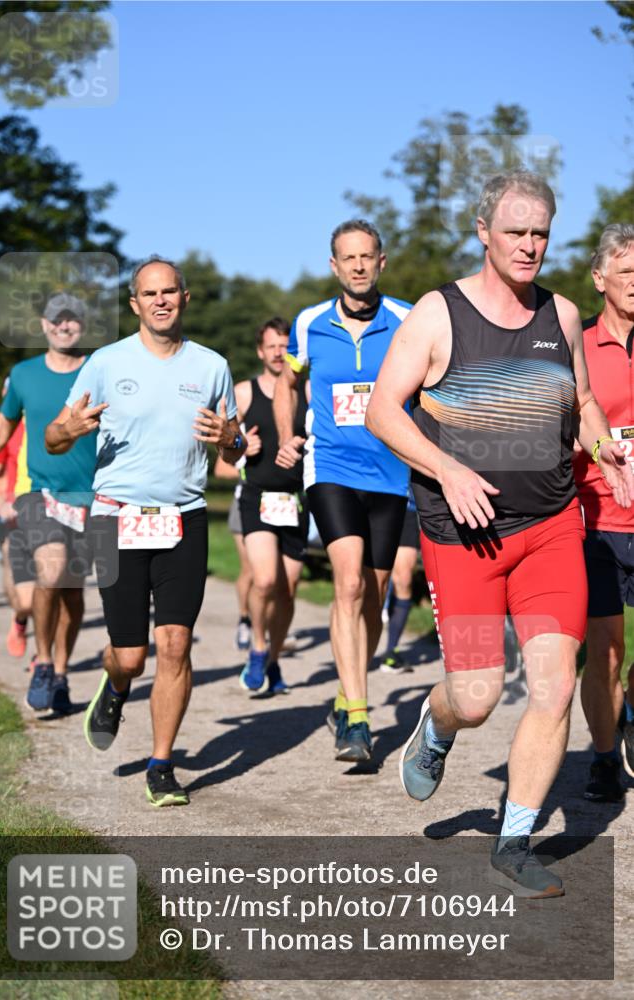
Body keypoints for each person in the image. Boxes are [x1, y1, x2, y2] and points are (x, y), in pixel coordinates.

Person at [365, 170, 633, 897]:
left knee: (551, 688)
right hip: (463, 541)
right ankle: (438, 723)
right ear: (482, 232)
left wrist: (601, 444)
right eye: (514, 231)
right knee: (477, 694)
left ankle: (513, 841)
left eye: (539, 232)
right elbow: (384, 412)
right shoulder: (436, 314)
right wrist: (447, 470)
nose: (528, 245)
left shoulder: (563, 317)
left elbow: (579, 399)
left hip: (549, 531)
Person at [45, 256, 245, 807]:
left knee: (175, 645)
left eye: (169, 291)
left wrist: (231, 437)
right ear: (134, 304)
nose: (160, 300)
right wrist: (68, 429)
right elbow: (54, 438)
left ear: (185, 297)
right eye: (148, 293)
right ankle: (115, 685)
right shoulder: (106, 364)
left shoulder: (211, 366)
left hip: (185, 518)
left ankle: (162, 764)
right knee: (130, 656)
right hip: (115, 517)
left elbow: (235, 448)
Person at [274, 220, 412, 763]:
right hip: (330, 467)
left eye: (367, 256)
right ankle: (357, 716)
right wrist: (289, 436)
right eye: (347, 258)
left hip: (392, 474)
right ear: (334, 266)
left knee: (372, 598)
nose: (357, 266)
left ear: (381, 261)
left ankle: (344, 693)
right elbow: (288, 383)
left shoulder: (406, 319)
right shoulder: (308, 324)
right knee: (349, 583)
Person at [0, 294, 96, 711]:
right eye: (57, 320)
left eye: (72, 320)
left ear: (82, 324)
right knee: (50, 571)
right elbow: (3, 426)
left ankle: (61, 672)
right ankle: (42, 661)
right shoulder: (23, 375)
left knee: (73, 594)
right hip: (38, 492)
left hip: (91, 497)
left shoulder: (101, 371)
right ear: (44, 325)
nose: (65, 326)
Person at [573, 223, 634, 799]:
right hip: (597, 521)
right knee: (605, 649)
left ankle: (631, 710)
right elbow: (556, 423)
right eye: (626, 271)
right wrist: (591, 444)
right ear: (600, 280)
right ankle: (602, 757)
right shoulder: (580, 346)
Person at [234, 317, 309, 695]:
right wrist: (241, 449)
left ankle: (275, 659)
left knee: (288, 590)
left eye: (286, 345)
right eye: (272, 346)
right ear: (260, 352)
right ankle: (258, 647)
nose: (280, 353)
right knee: (264, 580)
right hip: (257, 498)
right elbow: (221, 450)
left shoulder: (308, 390)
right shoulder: (244, 393)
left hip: (297, 501)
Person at [0, 380, 33, 658]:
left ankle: (46, 659)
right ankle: (20, 619)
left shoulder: (53, 424)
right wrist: (1, 504)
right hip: (15, 516)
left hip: (56, 515)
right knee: (21, 596)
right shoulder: (6, 430)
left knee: (56, 589)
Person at [380, 477, 420, 674]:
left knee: (403, 579)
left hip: (409, 508)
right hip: (378, 499)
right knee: (370, 580)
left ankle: (391, 652)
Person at [214, 456, 253, 650]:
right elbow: (221, 469)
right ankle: (245, 619)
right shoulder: (242, 427)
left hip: (282, 507)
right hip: (245, 505)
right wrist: (258, 472)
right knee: (250, 569)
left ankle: (272, 624)